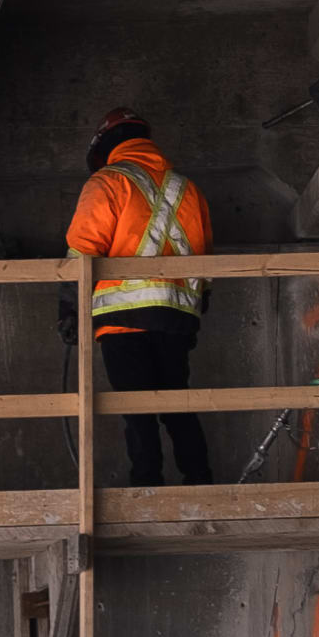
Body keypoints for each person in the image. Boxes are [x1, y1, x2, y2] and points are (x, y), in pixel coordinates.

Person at [65, 106, 215, 488]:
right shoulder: (187, 188)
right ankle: (200, 483)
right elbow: (204, 256)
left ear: (106, 146)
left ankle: (147, 487)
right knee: (176, 405)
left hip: (123, 319)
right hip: (176, 319)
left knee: (137, 410)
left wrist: (70, 309)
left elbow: (82, 254)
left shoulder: (108, 182)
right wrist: (196, 311)